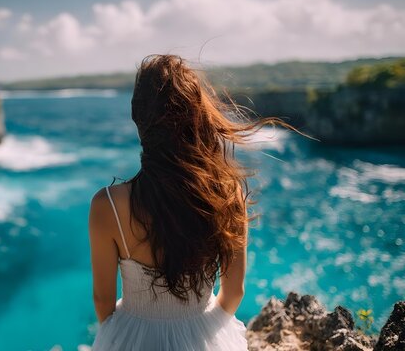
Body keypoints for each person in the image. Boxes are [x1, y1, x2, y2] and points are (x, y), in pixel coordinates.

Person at [88, 54, 297, 350]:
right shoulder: (226, 192)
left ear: (137, 117)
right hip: (203, 334)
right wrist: (204, 327)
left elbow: (103, 302)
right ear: (197, 116)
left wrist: (121, 336)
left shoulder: (107, 204)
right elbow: (234, 293)